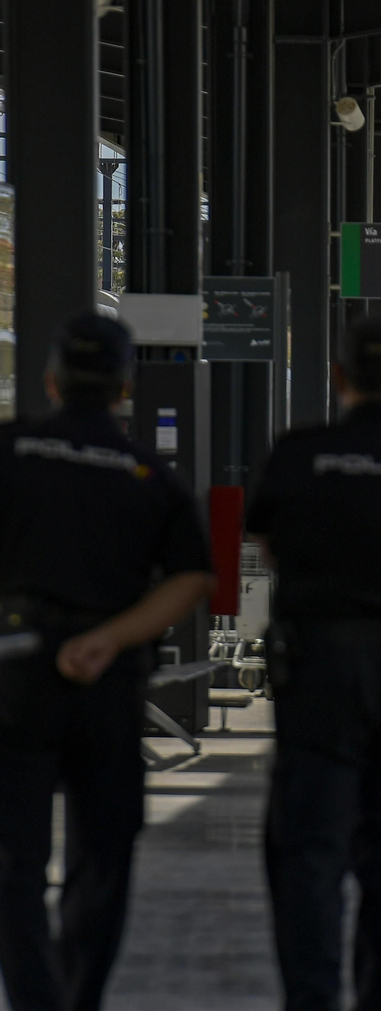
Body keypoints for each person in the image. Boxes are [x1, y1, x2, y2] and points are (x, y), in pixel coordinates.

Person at [244, 316, 381, 1011]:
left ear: (338, 378)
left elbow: (267, 545)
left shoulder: (298, 453)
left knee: (310, 856)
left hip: (322, 668)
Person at [0, 314, 214, 1011]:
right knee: (103, 858)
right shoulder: (150, 474)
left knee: (13, 863)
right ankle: (78, 993)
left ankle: (38, 999)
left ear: (51, 379)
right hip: (107, 679)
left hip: (16, 672)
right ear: (125, 386)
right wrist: (113, 638)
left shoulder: (11, 448)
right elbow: (191, 578)